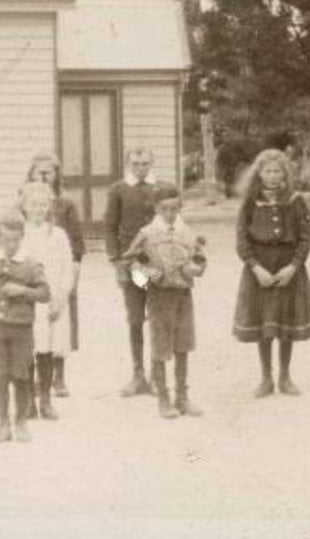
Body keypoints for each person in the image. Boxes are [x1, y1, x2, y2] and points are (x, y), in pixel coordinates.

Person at [232, 149, 310, 397]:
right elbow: (241, 239)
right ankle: (266, 377)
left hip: (287, 268)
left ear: (285, 173)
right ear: (259, 173)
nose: (272, 176)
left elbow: (305, 238)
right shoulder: (250, 201)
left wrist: (293, 267)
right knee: (264, 324)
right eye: (267, 171)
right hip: (260, 268)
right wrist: (255, 267)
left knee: (286, 323)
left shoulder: (296, 200)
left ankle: (285, 377)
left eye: (277, 171)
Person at [122, 185, 207, 419]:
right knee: (161, 346)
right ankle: (163, 398)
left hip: (183, 296)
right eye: (165, 209)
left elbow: (200, 260)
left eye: (174, 208)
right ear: (156, 208)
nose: (170, 213)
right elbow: (130, 265)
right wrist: (147, 276)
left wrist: (196, 269)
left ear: (180, 207)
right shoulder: (147, 234)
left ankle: (182, 397)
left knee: (183, 344)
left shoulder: (187, 233)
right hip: (159, 297)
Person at [0, 218, 50, 444]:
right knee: (1, 376)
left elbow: (45, 293)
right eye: (5, 239)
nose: (10, 244)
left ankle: (21, 421)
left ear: (21, 238)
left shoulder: (31, 264)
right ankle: (2, 422)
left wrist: (22, 290)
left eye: (15, 240)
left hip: (21, 329)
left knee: (20, 376)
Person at [24, 151, 83, 398]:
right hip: (33, 282)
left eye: (50, 170)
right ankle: (36, 378)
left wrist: (71, 276)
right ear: (32, 173)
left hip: (60, 273)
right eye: (40, 170)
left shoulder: (65, 204)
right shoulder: (25, 203)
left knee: (59, 326)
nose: (45, 174)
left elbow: (75, 246)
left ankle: (59, 377)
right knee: (36, 331)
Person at [16, 181, 74, 421]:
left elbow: (67, 268)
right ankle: (29, 400)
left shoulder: (58, 235)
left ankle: (46, 401)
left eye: (43, 204)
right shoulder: (20, 234)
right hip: (29, 301)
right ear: (25, 207)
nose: (38, 209)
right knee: (30, 349)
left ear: (49, 207)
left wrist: (61, 297)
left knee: (48, 350)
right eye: (33, 204)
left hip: (53, 302)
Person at [104, 146, 160, 397]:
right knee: (136, 319)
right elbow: (110, 227)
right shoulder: (119, 190)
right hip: (132, 264)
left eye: (145, 164)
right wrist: (117, 261)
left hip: (158, 264)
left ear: (151, 164)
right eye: (135, 164)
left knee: (159, 318)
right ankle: (138, 375)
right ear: (128, 164)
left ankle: (158, 375)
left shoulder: (161, 188)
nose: (140, 169)